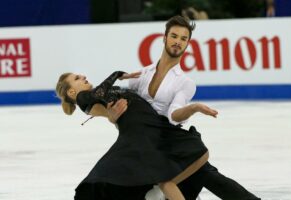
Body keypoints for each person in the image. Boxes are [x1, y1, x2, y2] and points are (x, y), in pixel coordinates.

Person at [107, 15, 261, 200]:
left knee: (207, 176)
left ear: (188, 44)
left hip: (172, 143)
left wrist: (194, 107)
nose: (178, 42)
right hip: (146, 146)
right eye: (174, 36)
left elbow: (174, 115)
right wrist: (112, 116)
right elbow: (122, 105)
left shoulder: (185, 82)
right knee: (201, 178)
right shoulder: (143, 74)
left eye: (183, 39)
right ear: (164, 38)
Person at [55, 71, 210, 200]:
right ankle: (157, 192)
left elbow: (109, 111)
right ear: (72, 92)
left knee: (186, 164)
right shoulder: (83, 97)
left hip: (153, 126)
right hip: (142, 132)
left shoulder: (96, 98)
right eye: (77, 78)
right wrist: (116, 73)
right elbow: (102, 100)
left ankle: (156, 192)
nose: (82, 76)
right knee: (177, 169)